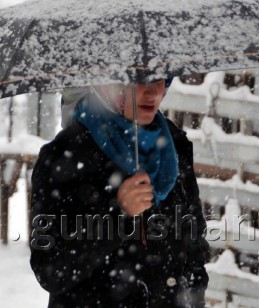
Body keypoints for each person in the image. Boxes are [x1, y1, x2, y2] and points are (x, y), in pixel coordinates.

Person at [29, 79, 210, 307]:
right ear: (109, 84)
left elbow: (193, 241)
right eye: (140, 80)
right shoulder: (63, 157)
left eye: (162, 77)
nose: (153, 91)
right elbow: (50, 270)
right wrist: (120, 215)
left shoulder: (173, 146)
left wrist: (194, 296)